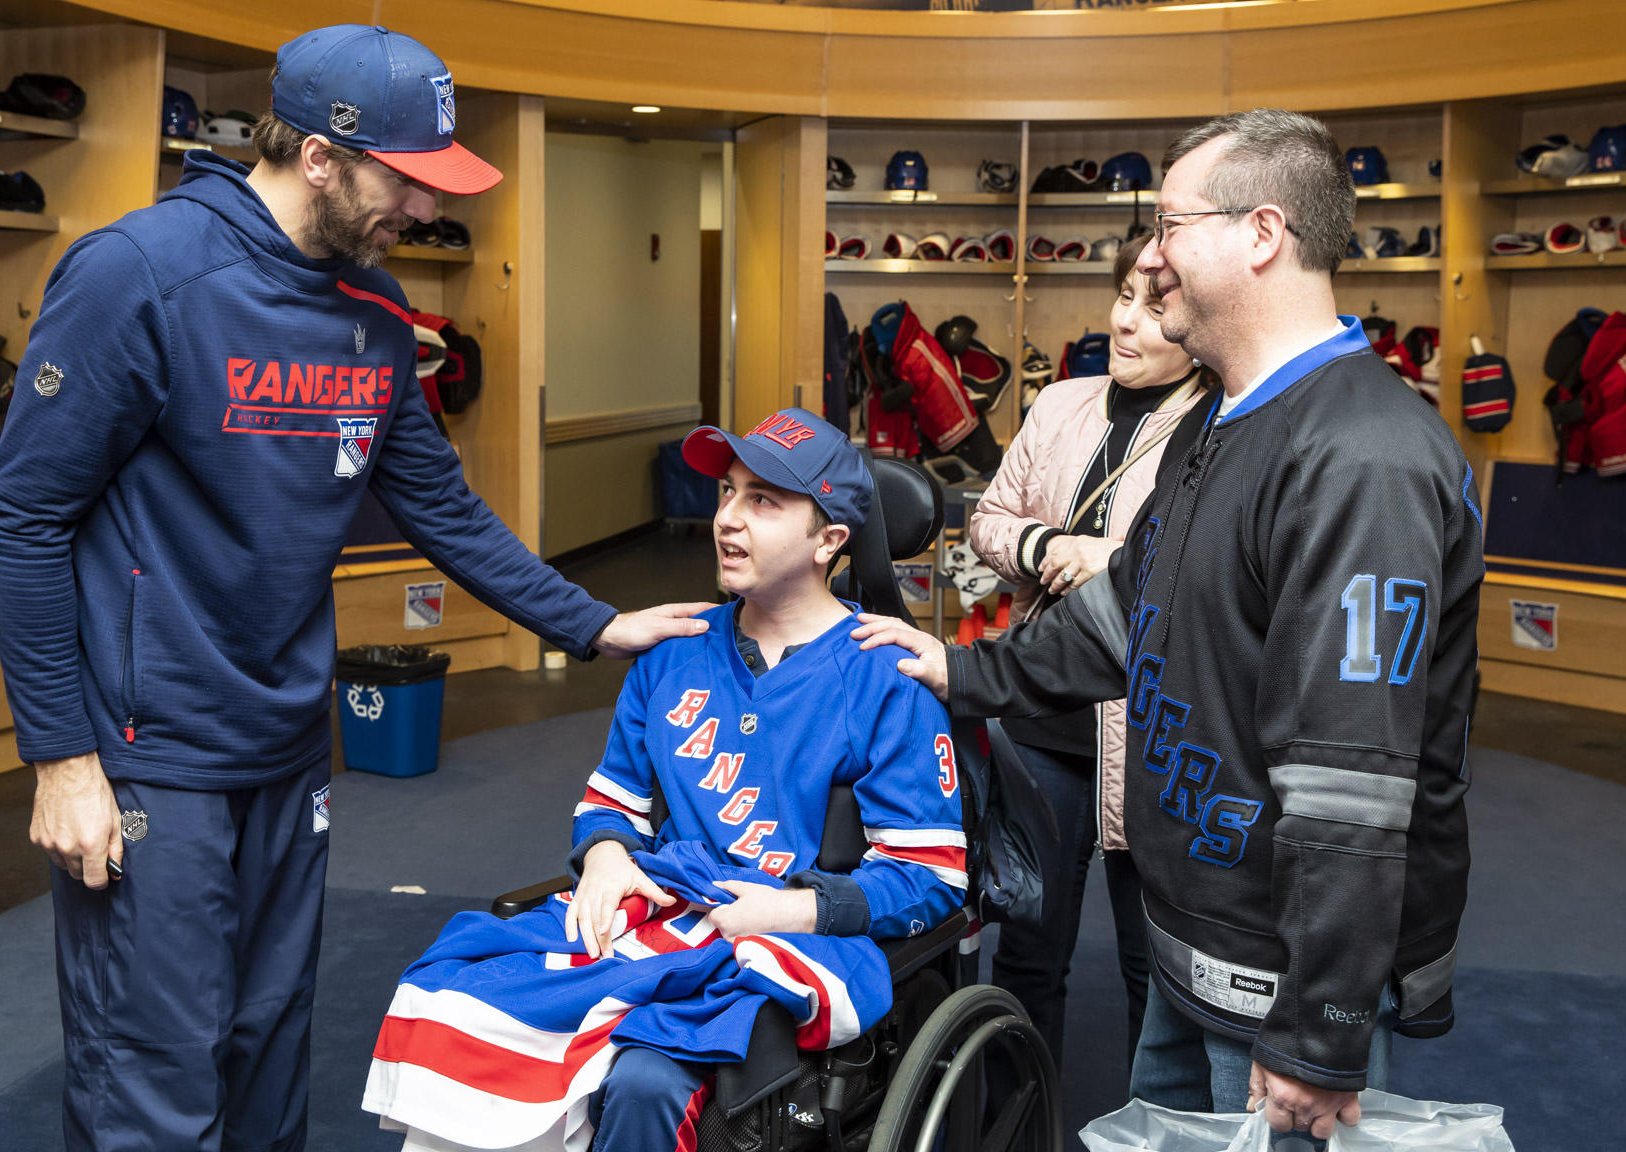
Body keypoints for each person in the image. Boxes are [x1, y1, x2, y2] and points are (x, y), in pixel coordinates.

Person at [0, 25, 708, 1150]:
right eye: (406, 182)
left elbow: (441, 505)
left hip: (284, 745)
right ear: (319, 156)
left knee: (267, 1052)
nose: (422, 212)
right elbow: (21, 514)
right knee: (152, 1079)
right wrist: (61, 758)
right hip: (147, 753)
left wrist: (593, 620)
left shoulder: (372, 310)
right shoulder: (143, 276)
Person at [852, 109, 1482, 1141]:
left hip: (1277, 983)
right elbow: (1120, 619)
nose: (1150, 255)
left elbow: (1352, 784)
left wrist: (1320, 1032)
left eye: (1170, 225)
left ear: (1261, 234)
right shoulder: (1217, 422)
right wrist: (963, 675)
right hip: (1192, 938)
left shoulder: (1363, 456)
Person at [364, 409, 968, 1151]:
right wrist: (609, 853)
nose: (728, 519)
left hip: (788, 938)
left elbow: (933, 877)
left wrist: (800, 910)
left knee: (647, 1080)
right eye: (726, 492)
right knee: (450, 992)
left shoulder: (885, 675)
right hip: (665, 912)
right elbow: (611, 798)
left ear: (829, 541)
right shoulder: (672, 651)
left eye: (764, 501)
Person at [967, 232, 1207, 1070]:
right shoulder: (1059, 403)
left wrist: (1108, 560)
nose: (1126, 323)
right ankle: (1016, 1124)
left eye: (1156, 306)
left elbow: (1211, 565)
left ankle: (1160, 1128)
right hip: (1040, 722)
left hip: (1153, 738)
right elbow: (988, 520)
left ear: (1202, 319)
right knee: (1028, 955)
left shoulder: (1221, 427)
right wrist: (1040, 547)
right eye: (1123, 298)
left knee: (1159, 972)